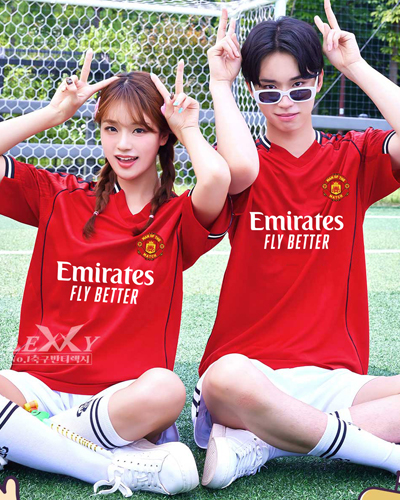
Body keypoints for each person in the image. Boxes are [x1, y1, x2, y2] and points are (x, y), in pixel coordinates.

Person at [0, 49, 232, 497]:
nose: (123, 144)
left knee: (168, 390)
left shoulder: (176, 217)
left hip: (125, 398)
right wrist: (52, 114)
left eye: (139, 130)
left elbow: (217, 179)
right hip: (38, 387)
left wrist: (186, 129)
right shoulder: (58, 196)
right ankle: (115, 464)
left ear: (161, 136)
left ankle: (28, 440)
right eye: (111, 129)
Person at [191, 2, 400, 489]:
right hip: (245, 377)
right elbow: (233, 168)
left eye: (299, 87)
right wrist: (219, 83)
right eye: (269, 90)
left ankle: (262, 444)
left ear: (318, 82)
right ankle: (376, 451)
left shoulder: (353, 157)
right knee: (224, 377)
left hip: (333, 379)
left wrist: (354, 65)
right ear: (252, 91)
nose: (285, 102)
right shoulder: (239, 166)